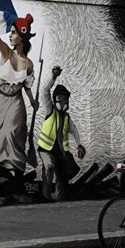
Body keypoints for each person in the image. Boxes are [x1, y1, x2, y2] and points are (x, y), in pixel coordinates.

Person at [0, 6, 38, 179]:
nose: (10, 36)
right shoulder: (6, 52)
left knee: (12, 132)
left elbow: (27, 85)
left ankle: (12, 168)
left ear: (22, 37)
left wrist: (32, 101)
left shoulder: (29, 64)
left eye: (13, 33)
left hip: (16, 101)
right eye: (11, 32)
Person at [38, 66, 86, 201]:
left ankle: (59, 198)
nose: (63, 101)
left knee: (61, 174)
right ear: (55, 99)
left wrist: (79, 145)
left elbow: (74, 131)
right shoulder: (50, 110)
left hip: (60, 151)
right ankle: (45, 196)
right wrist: (53, 77)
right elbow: (45, 91)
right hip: (45, 149)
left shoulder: (67, 118)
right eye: (59, 98)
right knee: (49, 166)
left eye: (65, 98)